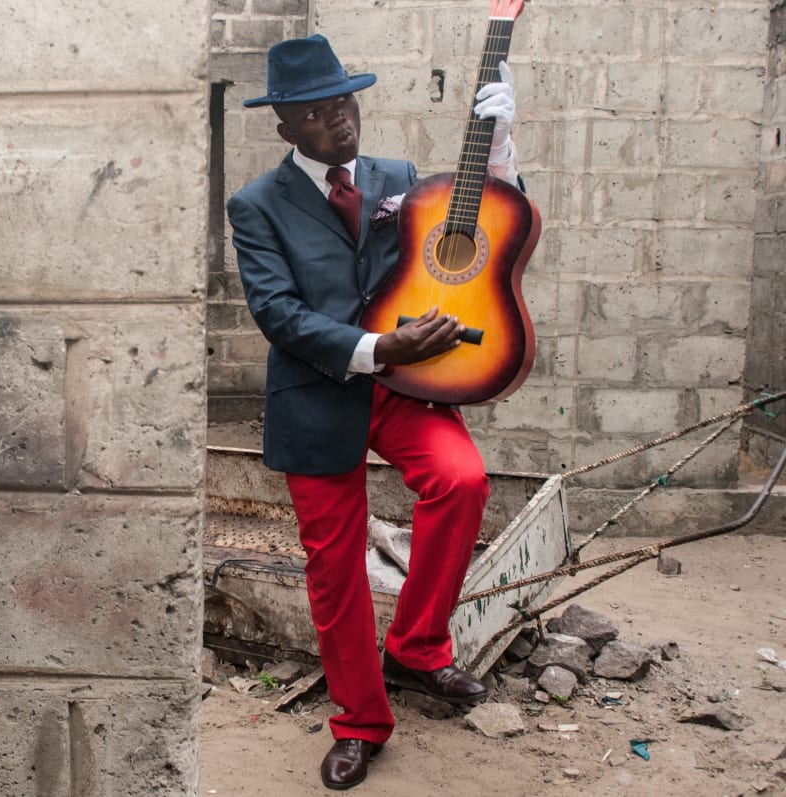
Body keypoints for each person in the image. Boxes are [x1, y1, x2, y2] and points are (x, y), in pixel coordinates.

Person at [227, 33, 523, 790]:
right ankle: (360, 721)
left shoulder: (397, 177)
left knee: (462, 480)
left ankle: (419, 648)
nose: (339, 120)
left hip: (403, 390)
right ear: (285, 126)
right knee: (335, 568)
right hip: (322, 390)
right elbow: (279, 315)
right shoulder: (256, 205)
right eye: (318, 113)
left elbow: (470, 232)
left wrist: (500, 160)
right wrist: (378, 347)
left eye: (345, 102)